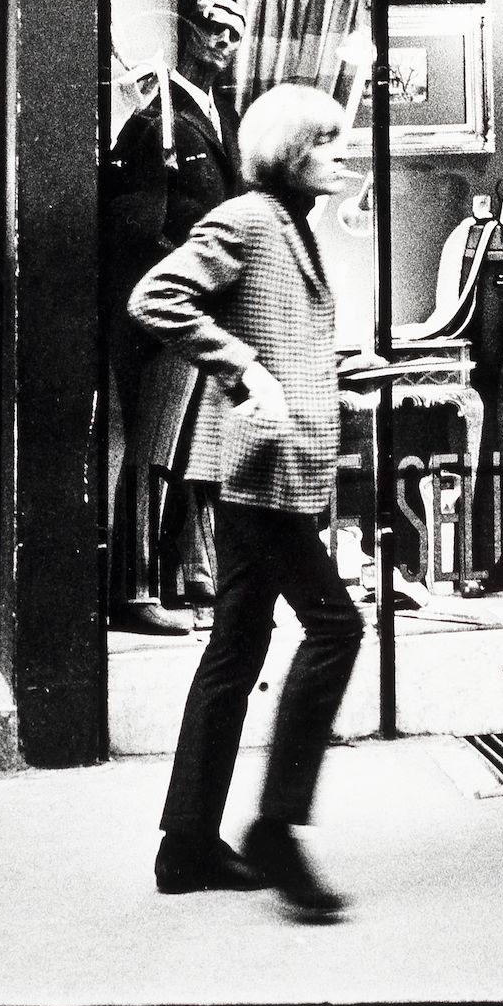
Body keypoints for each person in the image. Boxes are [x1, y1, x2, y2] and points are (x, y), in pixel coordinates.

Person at [128, 84, 366, 921]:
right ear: (287, 154)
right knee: (336, 627)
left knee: (235, 645)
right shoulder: (247, 218)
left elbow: (283, 336)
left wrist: (337, 376)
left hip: (273, 465)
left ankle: (185, 845)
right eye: (327, 143)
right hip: (258, 471)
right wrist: (243, 368)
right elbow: (155, 298)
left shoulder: (292, 225)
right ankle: (274, 828)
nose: (342, 154)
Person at [104, 0, 246, 633]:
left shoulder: (216, 118)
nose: (219, 42)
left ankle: (185, 574)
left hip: (200, 312)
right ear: (191, 35)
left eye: (232, 35)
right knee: (149, 450)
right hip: (165, 316)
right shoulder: (155, 120)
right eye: (211, 29)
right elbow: (136, 228)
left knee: (187, 451)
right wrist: (185, 288)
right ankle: (132, 592)